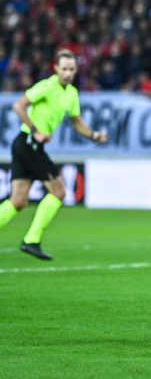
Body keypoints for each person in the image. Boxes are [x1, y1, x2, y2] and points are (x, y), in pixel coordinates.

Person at [0, 49, 108, 260]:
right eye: (64, 69)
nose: (68, 73)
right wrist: (35, 130)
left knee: (19, 200)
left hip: (28, 146)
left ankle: (31, 240)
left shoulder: (71, 94)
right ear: (56, 69)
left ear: (76, 70)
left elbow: (76, 121)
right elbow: (19, 105)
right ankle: (31, 240)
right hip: (28, 142)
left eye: (71, 69)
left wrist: (94, 135)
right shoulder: (48, 86)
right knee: (58, 191)